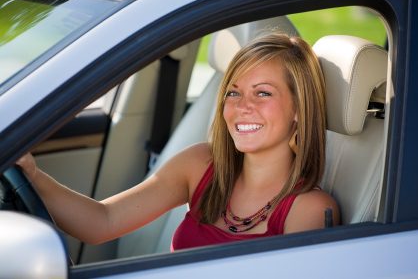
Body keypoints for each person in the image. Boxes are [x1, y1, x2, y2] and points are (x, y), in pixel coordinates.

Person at [17, 32, 339, 251]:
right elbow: (103, 221)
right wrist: (31, 174)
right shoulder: (200, 166)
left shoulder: (309, 211)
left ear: (299, 108)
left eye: (263, 93)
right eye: (233, 92)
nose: (243, 107)